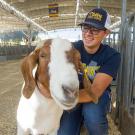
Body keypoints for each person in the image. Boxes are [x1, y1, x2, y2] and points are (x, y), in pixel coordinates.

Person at [57, 7, 121, 135]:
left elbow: (94, 92)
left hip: (97, 95)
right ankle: (78, 120)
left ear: (106, 33)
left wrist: (60, 98)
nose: (88, 33)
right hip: (74, 93)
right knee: (64, 132)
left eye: (95, 30)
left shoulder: (112, 55)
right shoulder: (70, 48)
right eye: (85, 28)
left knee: (93, 114)